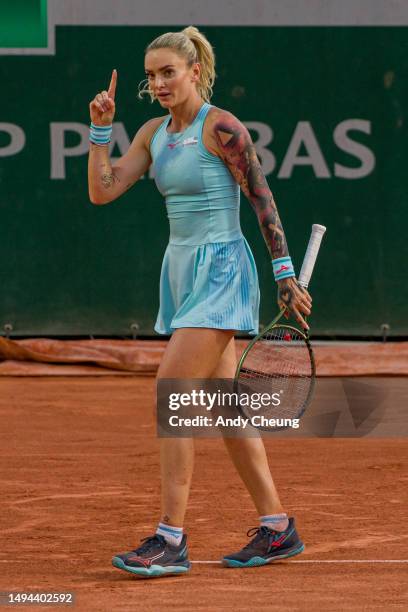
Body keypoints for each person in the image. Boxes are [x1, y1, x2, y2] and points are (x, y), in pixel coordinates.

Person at [88, 26, 312, 578]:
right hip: (182, 271)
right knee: (224, 403)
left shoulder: (222, 128)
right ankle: (278, 528)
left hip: (223, 270)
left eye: (169, 72)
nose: (159, 83)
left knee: (174, 391)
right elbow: (103, 190)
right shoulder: (151, 133)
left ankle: (171, 538)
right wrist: (99, 132)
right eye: (151, 75)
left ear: (194, 71)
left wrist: (284, 274)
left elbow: (262, 198)